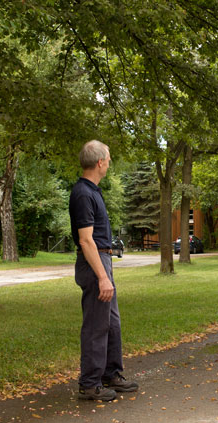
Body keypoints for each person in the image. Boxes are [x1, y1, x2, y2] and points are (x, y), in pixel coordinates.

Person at [69, 140, 138, 400]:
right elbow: (86, 240)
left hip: (103, 260)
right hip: (94, 263)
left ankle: (110, 374)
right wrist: (102, 277)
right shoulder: (83, 194)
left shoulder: (92, 190)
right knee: (96, 326)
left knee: (111, 324)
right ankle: (89, 384)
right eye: (108, 158)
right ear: (99, 162)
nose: (109, 163)